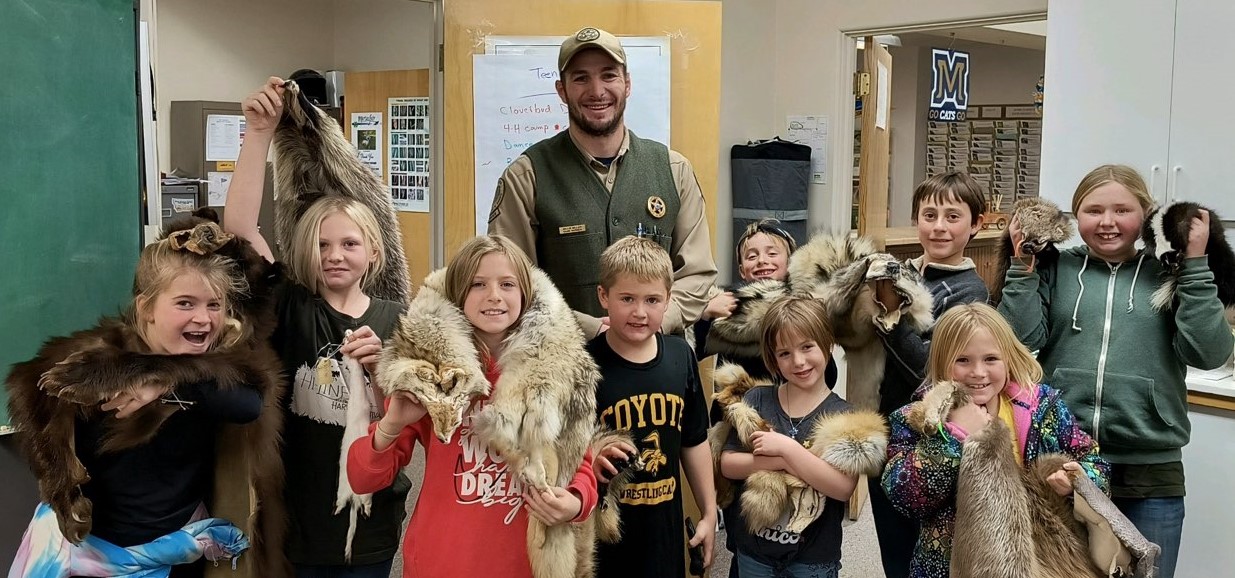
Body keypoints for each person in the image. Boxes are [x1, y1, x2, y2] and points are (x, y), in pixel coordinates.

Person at [997, 164, 1233, 578]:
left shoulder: (1169, 270)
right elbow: (1016, 338)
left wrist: (1194, 266)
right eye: (1093, 210)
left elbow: (1208, 352)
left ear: (1144, 214)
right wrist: (1022, 267)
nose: (1107, 222)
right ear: (1075, 217)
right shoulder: (1057, 268)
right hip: (1065, 465)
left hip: (1150, 472)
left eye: (1122, 210)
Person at [7, 222, 270, 578]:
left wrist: (163, 382)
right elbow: (30, 392)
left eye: (214, 305)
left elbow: (248, 404)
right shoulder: (102, 359)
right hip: (89, 553)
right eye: (184, 303)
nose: (203, 318)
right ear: (147, 308)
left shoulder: (214, 365)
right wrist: (60, 484)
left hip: (170, 552)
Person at [226, 77, 408, 577]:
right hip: (300, 520)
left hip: (371, 520)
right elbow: (241, 231)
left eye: (349, 244)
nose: (335, 255)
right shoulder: (291, 305)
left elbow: (411, 424)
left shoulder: (399, 320)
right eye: (323, 244)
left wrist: (378, 370)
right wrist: (259, 134)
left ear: (374, 251)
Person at [346, 235, 599, 578]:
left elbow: (579, 459)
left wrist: (576, 502)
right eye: (478, 284)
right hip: (442, 561)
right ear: (457, 293)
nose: (494, 295)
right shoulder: (427, 371)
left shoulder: (558, 372)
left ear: (525, 294)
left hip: (523, 564)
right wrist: (392, 422)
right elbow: (363, 478)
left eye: (507, 284)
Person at [488, 26, 717, 338]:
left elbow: (697, 272)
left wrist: (653, 322)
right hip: (564, 365)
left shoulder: (674, 170)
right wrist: (592, 329)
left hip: (657, 365)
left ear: (627, 83)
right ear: (561, 90)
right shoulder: (526, 176)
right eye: (581, 78)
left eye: (608, 75)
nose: (597, 91)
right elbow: (510, 283)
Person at [882, 303, 1109, 578]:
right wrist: (954, 439)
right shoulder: (915, 419)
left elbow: (1093, 460)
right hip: (951, 566)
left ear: (1008, 358)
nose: (978, 372)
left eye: (991, 359)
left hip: (1040, 564)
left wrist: (1077, 481)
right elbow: (905, 497)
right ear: (942, 361)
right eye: (962, 360)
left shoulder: (1042, 409)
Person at [868, 171, 990, 578]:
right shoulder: (900, 272)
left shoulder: (969, 292)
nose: (939, 226)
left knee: (925, 554)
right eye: (929, 214)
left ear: (976, 224)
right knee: (892, 543)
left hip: (932, 439)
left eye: (953, 216)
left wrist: (891, 313)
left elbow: (926, 369)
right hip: (885, 428)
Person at [589, 236, 717, 578]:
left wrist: (708, 512)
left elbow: (694, 439)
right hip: (603, 537)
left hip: (664, 534)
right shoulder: (585, 364)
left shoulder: (680, 356)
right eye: (627, 298)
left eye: (652, 299)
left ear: (668, 300)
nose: (640, 312)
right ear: (604, 296)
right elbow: (564, 449)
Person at [718, 296, 873, 578]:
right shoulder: (756, 399)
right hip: (755, 553)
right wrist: (779, 461)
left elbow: (842, 487)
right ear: (772, 358)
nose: (798, 361)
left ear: (828, 344)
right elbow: (728, 464)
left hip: (813, 558)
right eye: (784, 353)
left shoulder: (845, 416)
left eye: (807, 347)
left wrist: (787, 450)